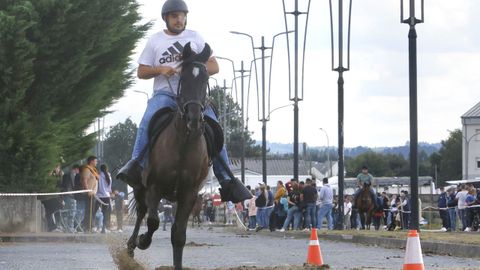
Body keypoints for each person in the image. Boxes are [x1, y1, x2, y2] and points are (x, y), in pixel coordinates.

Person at [116, 0, 251, 204]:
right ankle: (136, 165)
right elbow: (141, 71)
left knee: (214, 127)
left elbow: (214, 66)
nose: (179, 20)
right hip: (165, 94)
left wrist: (190, 66)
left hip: (193, 96)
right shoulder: (155, 41)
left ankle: (226, 180)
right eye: (174, 16)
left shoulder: (195, 37)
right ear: (166, 19)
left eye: (182, 16)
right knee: (147, 121)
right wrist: (160, 70)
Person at [81, 156, 99, 233]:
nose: (96, 162)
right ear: (91, 161)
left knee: (92, 211)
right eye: (95, 161)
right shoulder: (87, 170)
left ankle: (90, 226)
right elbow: (85, 180)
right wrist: (87, 190)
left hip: (93, 193)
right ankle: (87, 227)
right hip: (89, 194)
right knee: (89, 211)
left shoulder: (93, 171)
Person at [92, 164, 112, 233]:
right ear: (106, 169)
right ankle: (103, 228)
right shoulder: (109, 176)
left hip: (99, 196)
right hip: (107, 196)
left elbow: (96, 185)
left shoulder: (98, 176)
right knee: (105, 213)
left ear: (100, 169)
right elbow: (109, 187)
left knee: (94, 212)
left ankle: (93, 226)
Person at [60, 165, 80, 233]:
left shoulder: (65, 175)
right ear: (76, 169)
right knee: (72, 212)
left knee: (67, 212)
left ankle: (66, 227)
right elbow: (72, 186)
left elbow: (63, 186)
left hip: (66, 196)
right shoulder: (73, 175)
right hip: (70, 196)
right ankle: (70, 227)